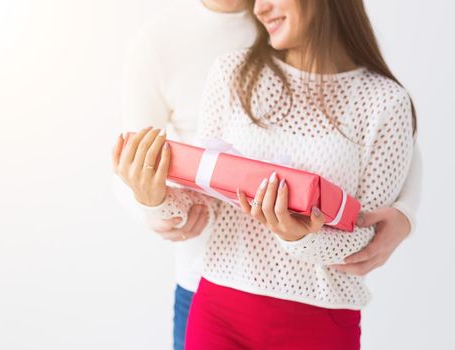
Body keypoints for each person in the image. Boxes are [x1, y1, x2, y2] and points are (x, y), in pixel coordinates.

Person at [112, 0, 421, 348]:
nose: (259, 8)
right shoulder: (231, 72)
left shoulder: (385, 103)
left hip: (320, 323)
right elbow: (206, 205)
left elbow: (365, 236)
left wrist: (300, 238)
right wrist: (153, 199)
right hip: (218, 310)